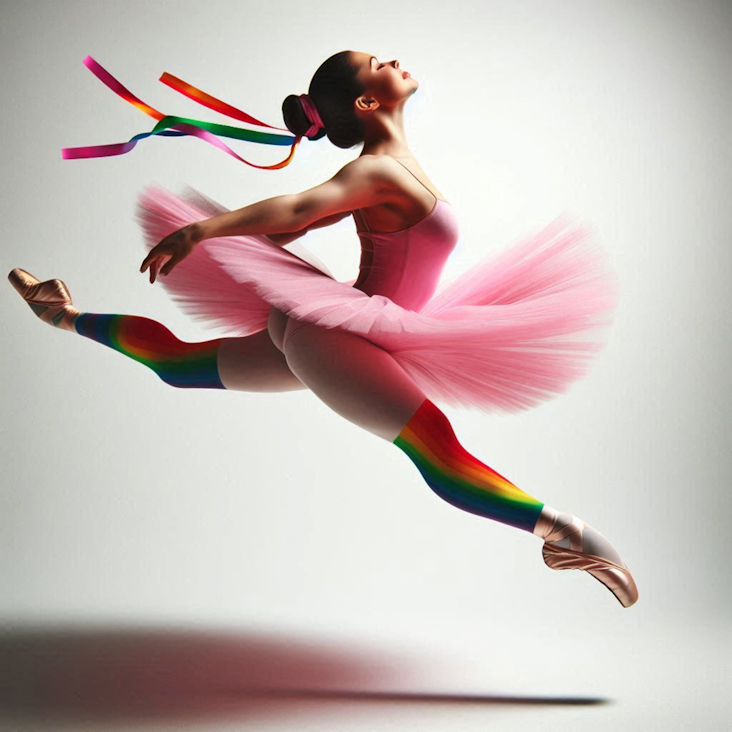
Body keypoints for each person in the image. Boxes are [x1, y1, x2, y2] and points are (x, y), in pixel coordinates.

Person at [8, 50, 638, 607]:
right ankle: (567, 536)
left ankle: (60, 312)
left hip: (344, 327)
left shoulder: (394, 167)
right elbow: (302, 208)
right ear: (367, 101)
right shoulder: (375, 171)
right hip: (339, 334)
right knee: (435, 444)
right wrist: (203, 229)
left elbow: (297, 224)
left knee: (181, 367)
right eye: (377, 64)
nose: (393, 59)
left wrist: (267, 232)